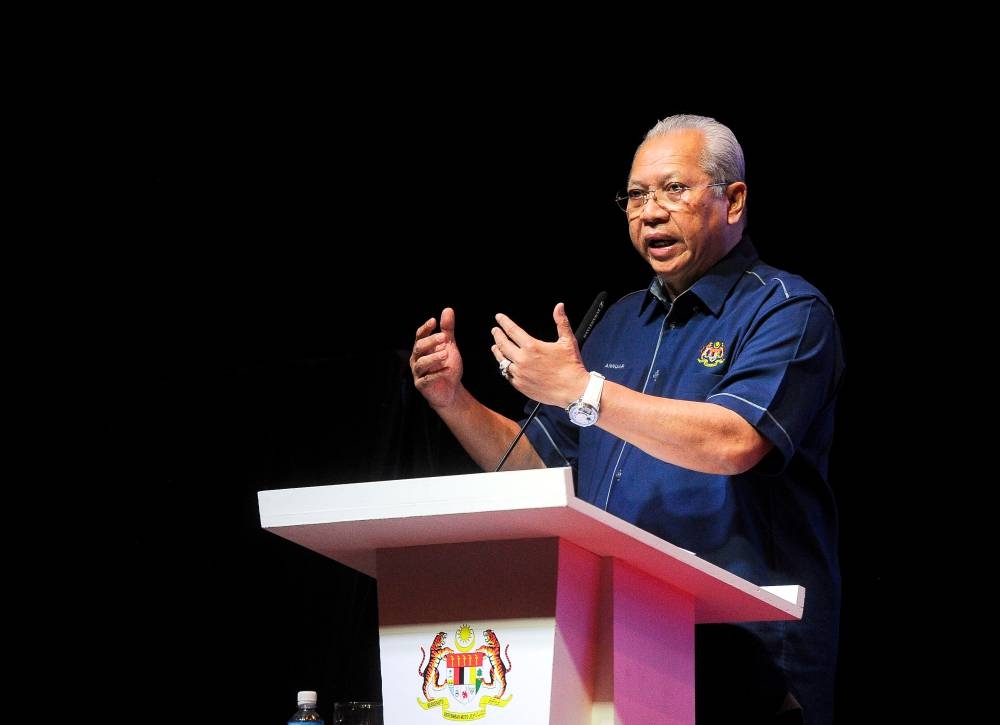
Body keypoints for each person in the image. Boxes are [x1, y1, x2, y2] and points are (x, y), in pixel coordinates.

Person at [409, 114, 844, 725]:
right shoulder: (617, 323)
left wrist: (585, 389)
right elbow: (536, 463)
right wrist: (453, 400)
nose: (650, 212)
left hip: (746, 649)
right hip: (620, 638)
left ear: (734, 200)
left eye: (673, 189)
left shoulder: (788, 311)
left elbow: (732, 441)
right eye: (636, 195)